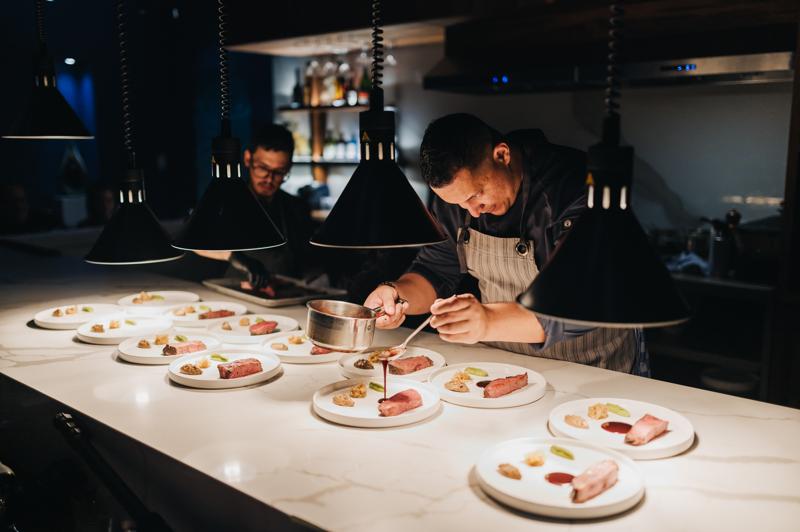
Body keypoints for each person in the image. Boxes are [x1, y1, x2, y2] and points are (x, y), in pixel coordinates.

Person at [363, 114, 645, 374]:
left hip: (594, 365)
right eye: (458, 203)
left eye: (476, 195)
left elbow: (578, 302)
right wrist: (396, 294)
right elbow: (435, 270)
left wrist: (487, 320)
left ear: (502, 155)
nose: (471, 211)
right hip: (505, 364)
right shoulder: (458, 202)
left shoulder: (573, 187)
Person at [194, 124, 318, 286]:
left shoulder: (296, 207)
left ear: (288, 168)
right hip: (238, 290)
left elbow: (310, 260)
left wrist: (314, 279)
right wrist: (237, 258)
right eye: (262, 168)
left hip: (285, 293)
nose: (268, 178)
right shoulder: (228, 200)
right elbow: (196, 240)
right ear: (247, 159)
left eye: (279, 172)